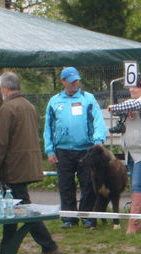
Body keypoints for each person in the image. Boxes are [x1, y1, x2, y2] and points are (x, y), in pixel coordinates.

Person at [0, 72, 61, 254]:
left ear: (5, 87)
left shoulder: (7, 108)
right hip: (29, 163)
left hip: (14, 167)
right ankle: (5, 250)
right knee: (12, 208)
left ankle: (49, 245)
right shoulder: (29, 106)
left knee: (21, 207)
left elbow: (0, 142)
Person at [43, 66, 107, 229]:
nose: (74, 84)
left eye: (76, 80)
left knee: (88, 184)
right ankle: (69, 218)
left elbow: (98, 121)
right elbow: (48, 127)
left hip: (86, 149)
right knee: (65, 184)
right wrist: (50, 150)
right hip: (62, 150)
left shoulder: (88, 99)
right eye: (71, 81)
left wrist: (98, 141)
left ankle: (86, 216)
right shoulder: (54, 101)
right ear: (63, 81)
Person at [107, 75, 141, 233]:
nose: (132, 90)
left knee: (138, 185)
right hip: (130, 151)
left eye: (136, 87)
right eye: (130, 87)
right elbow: (122, 109)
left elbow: (121, 108)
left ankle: (133, 224)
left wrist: (114, 107)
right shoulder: (130, 104)